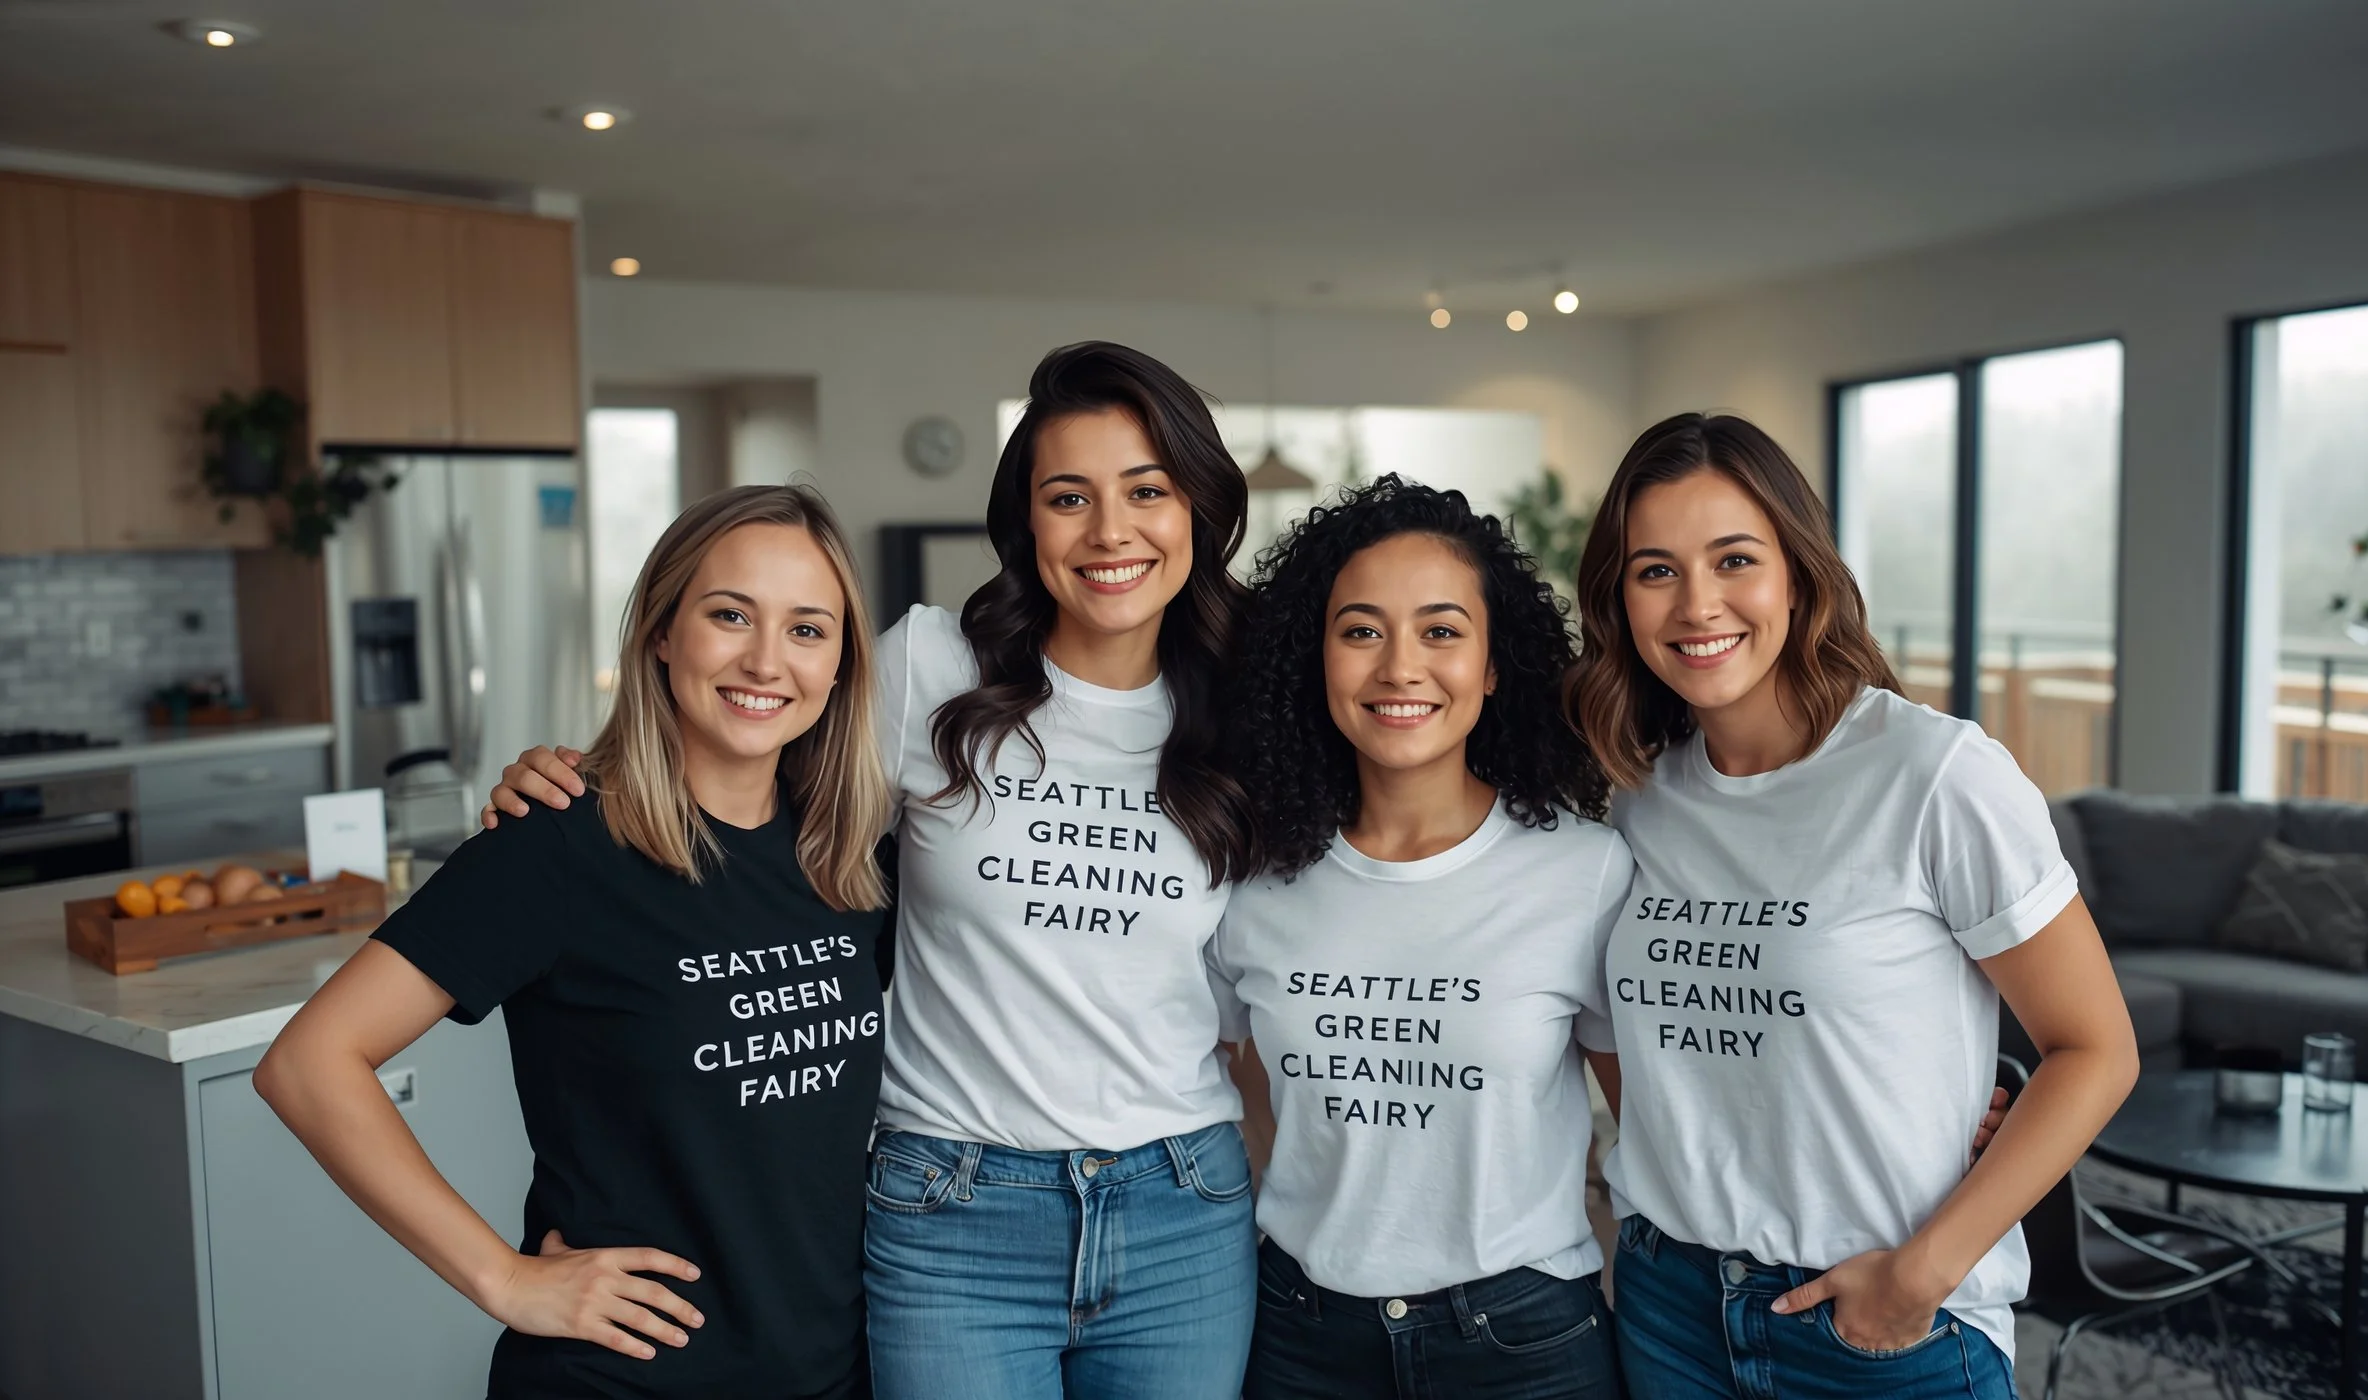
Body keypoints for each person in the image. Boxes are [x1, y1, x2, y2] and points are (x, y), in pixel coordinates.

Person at [483, 342, 1263, 1399]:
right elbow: (742, 760)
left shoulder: (1249, 712)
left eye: (1147, 490)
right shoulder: (930, 668)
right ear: (1026, 522)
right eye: (1068, 497)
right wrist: (585, 776)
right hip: (952, 1204)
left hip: (1184, 1204)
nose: (1109, 531)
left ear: (1198, 507)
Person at [255, 485, 891, 1397]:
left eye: (806, 629)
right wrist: (503, 1278)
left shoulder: (851, 859)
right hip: (624, 1381)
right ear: (662, 633)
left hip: (834, 1374)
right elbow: (309, 1063)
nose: (765, 660)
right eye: (729, 615)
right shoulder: (558, 840)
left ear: (839, 665)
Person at [1562, 413, 2139, 1400]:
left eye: (1734, 559)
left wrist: (1919, 1276)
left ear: (1797, 572)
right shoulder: (1635, 797)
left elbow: (2096, 1049)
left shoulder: (1934, 774)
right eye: (1656, 570)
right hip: (1671, 1310)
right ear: (1620, 597)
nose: (1697, 603)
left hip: (1876, 1325)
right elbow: (1629, 1046)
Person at [1212, 477, 1626, 1400]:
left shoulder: (1585, 872)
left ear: (1493, 665)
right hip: (1300, 1336)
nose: (1400, 667)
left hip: (1525, 1342)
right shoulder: (1255, 880)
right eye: (1361, 631)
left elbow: (1653, 1116)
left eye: (1441, 631)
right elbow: (1229, 1086)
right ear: (1316, 659)